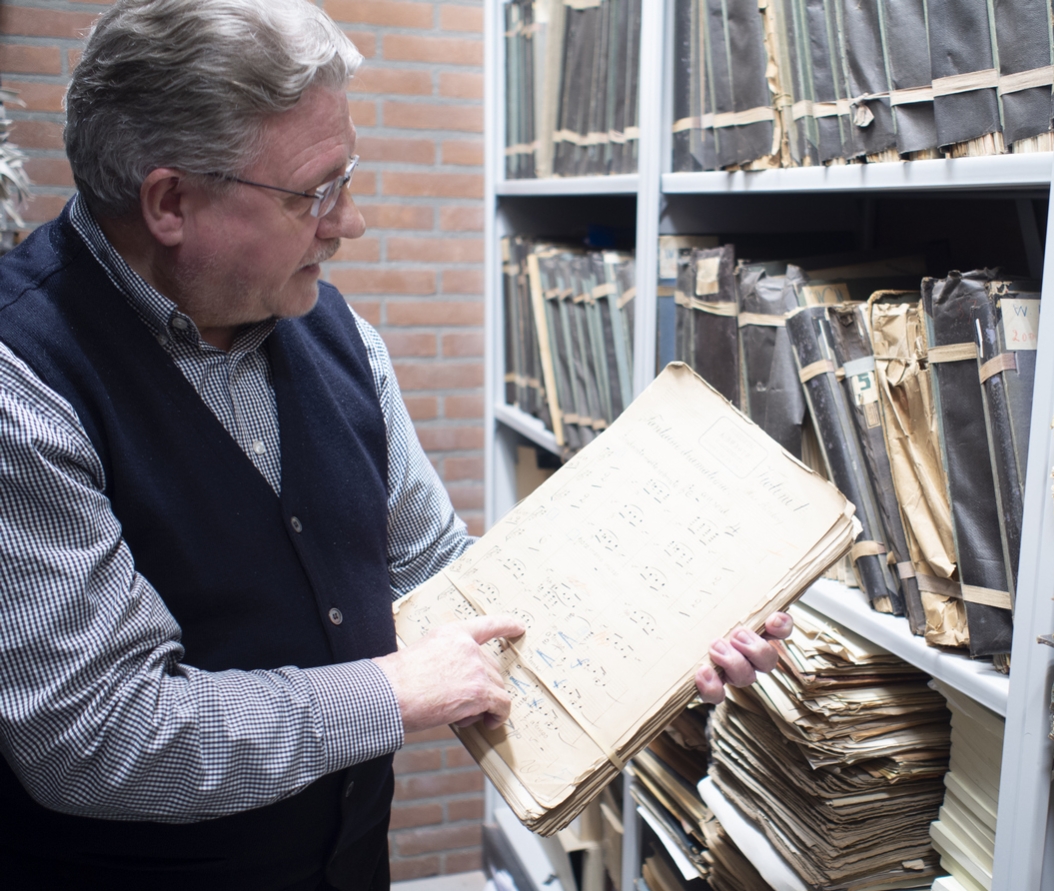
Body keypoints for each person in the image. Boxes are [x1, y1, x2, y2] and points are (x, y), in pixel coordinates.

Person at [0, 1, 790, 888]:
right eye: (316, 192)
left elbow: (435, 574)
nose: (350, 223)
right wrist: (392, 692)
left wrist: (664, 632)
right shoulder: (20, 381)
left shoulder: (335, 334)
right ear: (172, 201)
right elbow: (95, 733)